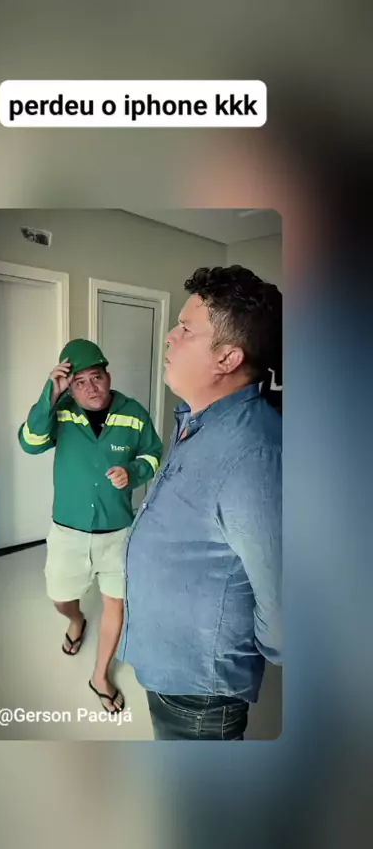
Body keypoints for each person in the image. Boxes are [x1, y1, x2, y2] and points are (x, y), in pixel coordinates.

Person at [118, 266, 282, 740]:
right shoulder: (199, 419)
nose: (170, 337)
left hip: (198, 694)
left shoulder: (253, 455)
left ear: (227, 358)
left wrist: (226, 650)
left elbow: (286, 611)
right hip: (173, 668)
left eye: (186, 329)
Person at [18, 338, 163, 714]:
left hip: (118, 533)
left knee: (117, 603)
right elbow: (30, 442)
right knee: (60, 599)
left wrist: (134, 472)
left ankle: (100, 676)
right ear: (69, 386)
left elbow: (153, 453)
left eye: (96, 377)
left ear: (107, 376)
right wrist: (50, 394)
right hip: (68, 532)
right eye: (79, 382)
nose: (90, 388)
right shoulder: (60, 411)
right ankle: (77, 619)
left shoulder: (133, 413)